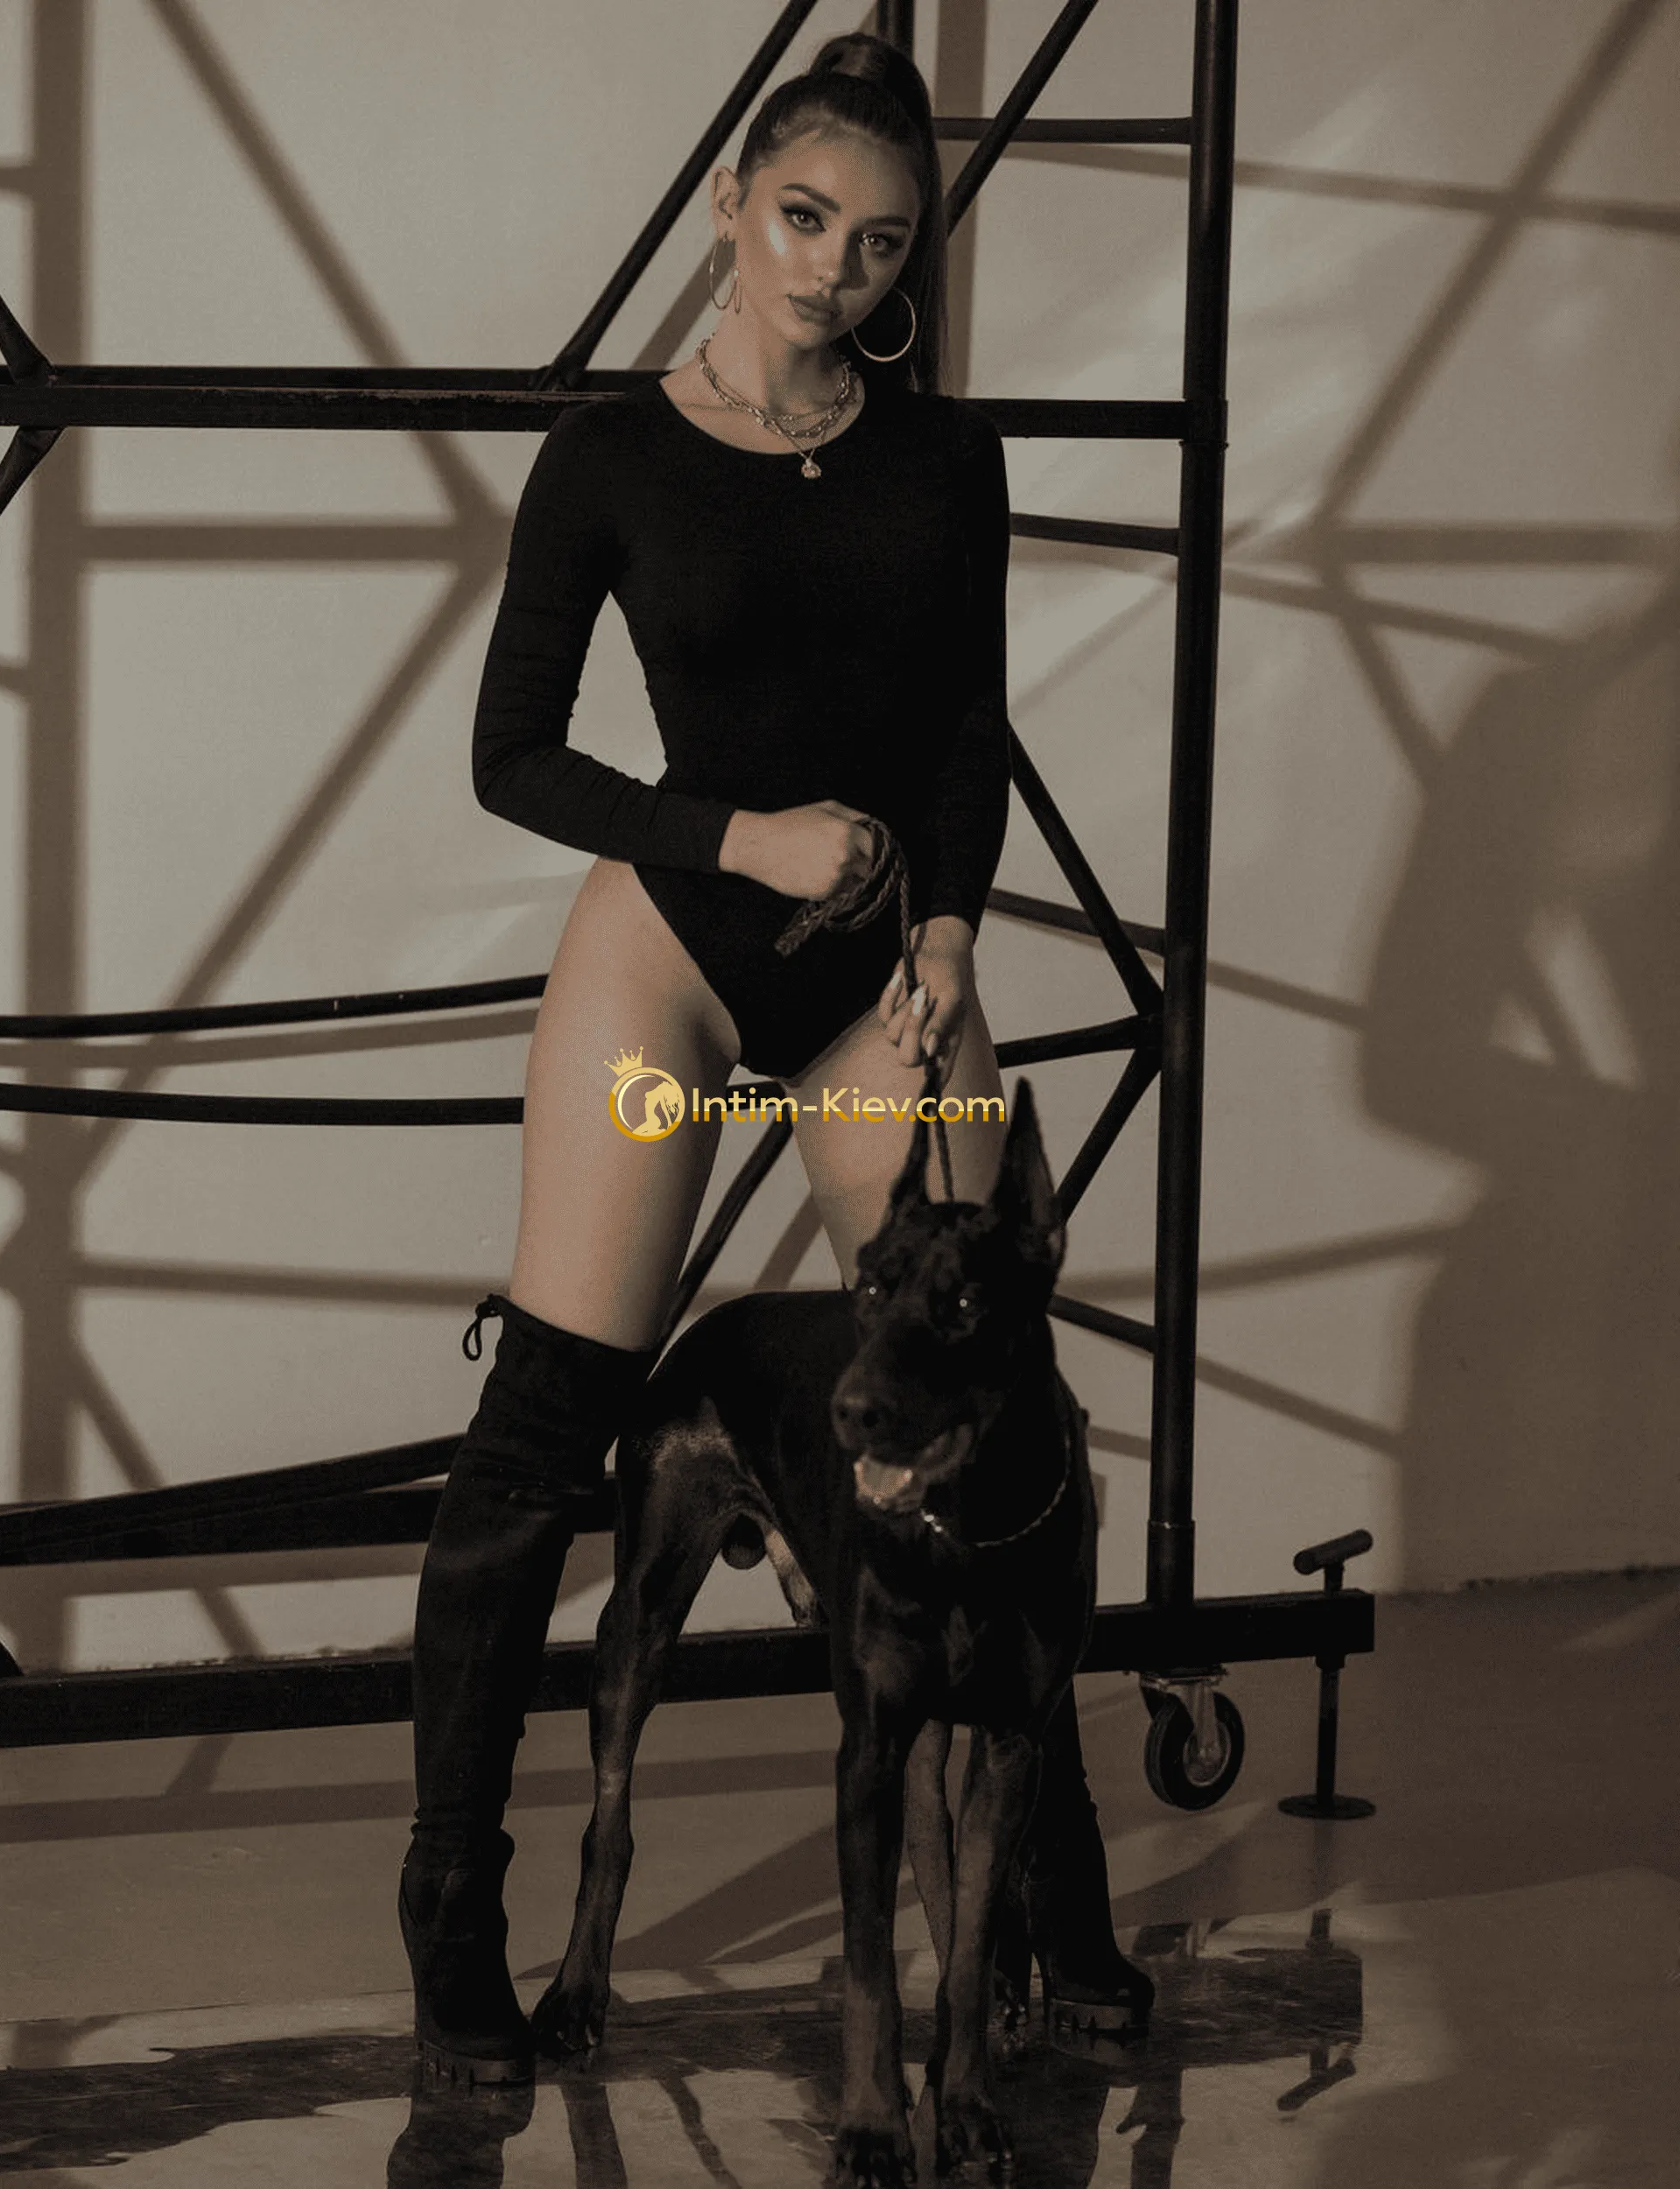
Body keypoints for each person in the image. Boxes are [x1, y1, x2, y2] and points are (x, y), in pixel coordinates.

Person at [398, 32, 1146, 2089]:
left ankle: (1052, 1886)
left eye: (878, 241)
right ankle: (452, 1893)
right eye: (803, 217)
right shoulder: (610, 455)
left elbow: (968, 730)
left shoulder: (946, 458)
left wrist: (948, 925)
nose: (831, 267)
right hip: (675, 946)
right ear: (734, 201)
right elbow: (512, 754)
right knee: (553, 1410)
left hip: (879, 973)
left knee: (988, 1347)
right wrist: (736, 838)